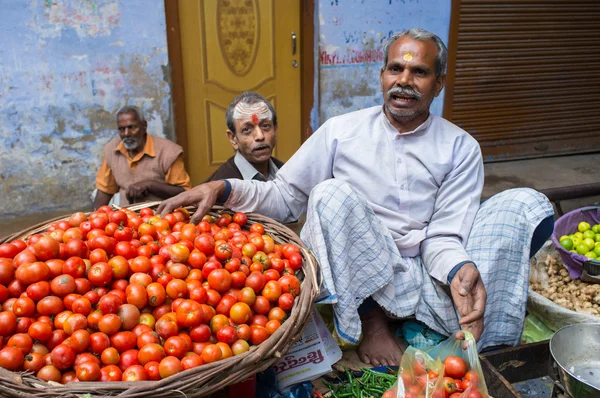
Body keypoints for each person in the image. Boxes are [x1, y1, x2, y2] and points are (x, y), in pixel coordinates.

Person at [157, 28, 554, 367]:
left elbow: (445, 235)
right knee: (329, 194)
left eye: (419, 72)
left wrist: (458, 270)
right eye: (396, 69)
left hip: (426, 268)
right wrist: (222, 188)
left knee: (524, 203)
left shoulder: (460, 147)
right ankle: (372, 325)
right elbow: (285, 197)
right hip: (365, 271)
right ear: (381, 75)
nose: (405, 81)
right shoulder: (340, 131)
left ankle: (485, 342)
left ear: (439, 82)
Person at [93, 105, 191, 209]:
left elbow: (184, 193)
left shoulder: (168, 152)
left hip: (161, 217)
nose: (127, 134)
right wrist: (93, 218)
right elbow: (105, 190)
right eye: (122, 129)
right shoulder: (112, 150)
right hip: (125, 219)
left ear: (144, 126)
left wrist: (151, 185)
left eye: (132, 127)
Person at [205, 91, 284, 182]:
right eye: (247, 129)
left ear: (275, 129)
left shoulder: (288, 174)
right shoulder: (218, 189)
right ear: (233, 138)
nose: (260, 136)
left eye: (265, 126)